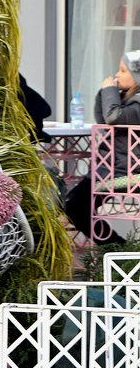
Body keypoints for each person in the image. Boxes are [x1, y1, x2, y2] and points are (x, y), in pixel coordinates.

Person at [63, 51, 140, 244]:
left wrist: (109, 92)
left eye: (123, 71)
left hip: (124, 173)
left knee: (75, 207)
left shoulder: (138, 104)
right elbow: (103, 118)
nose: (117, 75)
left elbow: (114, 117)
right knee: (74, 207)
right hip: (110, 170)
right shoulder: (128, 100)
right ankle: (119, 250)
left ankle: (118, 250)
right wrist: (106, 92)